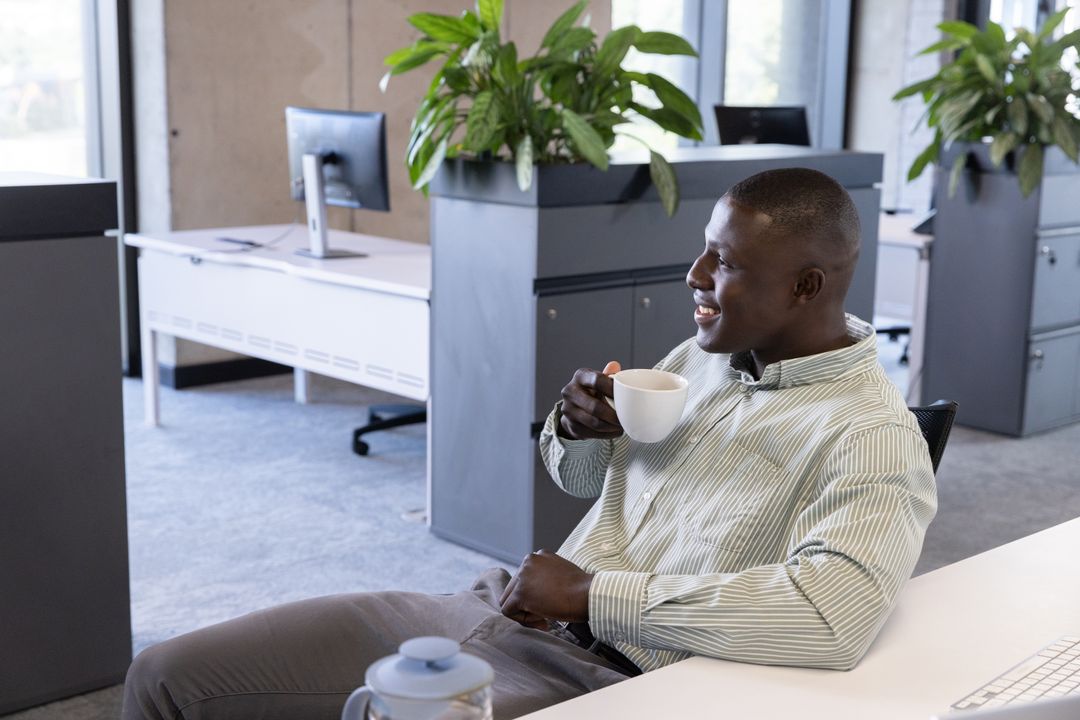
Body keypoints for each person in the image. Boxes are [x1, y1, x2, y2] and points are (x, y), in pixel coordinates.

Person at [122, 167, 936, 720]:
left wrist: (590, 596)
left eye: (722, 263)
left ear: (805, 285)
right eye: (703, 248)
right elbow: (583, 483)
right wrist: (574, 430)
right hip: (494, 604)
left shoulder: (869, 435)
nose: (693, 274)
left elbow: (831, 616)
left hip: (601, 673)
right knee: (164, 676)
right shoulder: (703, 358)